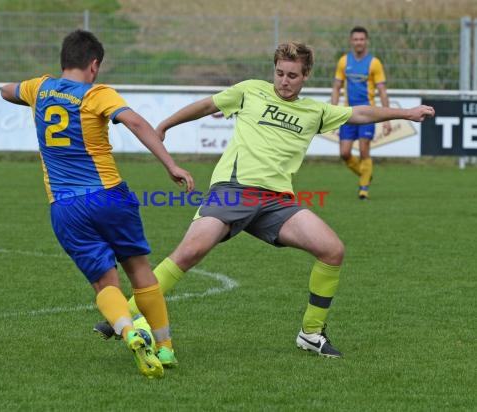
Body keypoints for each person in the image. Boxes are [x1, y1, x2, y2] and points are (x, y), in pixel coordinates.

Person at [95, 41, 434, 358]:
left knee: (332, 250)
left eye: (292, 76)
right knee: (189, 253)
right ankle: (121, 316)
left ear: (305, 77)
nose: (284, 81)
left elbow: (358, 113)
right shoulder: (250, 91)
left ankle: (311, 333)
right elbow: (207, 105)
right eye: (280, 73)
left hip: (278, 202)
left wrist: (405, 114)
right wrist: (166, 124)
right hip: (234, 189)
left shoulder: (314, 112)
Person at [1, 29, 194, 378]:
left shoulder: (39, 88)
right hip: (109, 196)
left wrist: (30, 98)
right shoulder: (98, 94)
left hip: (65, 207)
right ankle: (165, 347)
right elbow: (133, 121)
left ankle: (129, 330)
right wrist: (171, 164)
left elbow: (5, 90)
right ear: (94, 65)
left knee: (106, 285)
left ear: (63, 62)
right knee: (138, 268)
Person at [331, 26, 391, 199]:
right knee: (344, 153)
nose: (359, 42)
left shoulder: (374, 63)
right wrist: (333, 111)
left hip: (368, 113)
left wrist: (386, 118)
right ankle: (366, 174)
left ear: (367, 41)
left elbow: (382, 91)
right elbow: (336, 87)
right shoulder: (344, 61)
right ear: (351, 41)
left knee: (364, 149)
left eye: (361, 39)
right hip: (348, 113)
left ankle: (364, 188)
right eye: (355, 39)